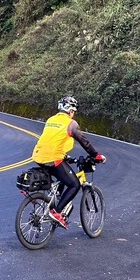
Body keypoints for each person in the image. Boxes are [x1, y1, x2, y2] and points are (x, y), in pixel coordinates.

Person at [31, 95, 106, 229]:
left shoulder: (51, 120)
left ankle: (55, 200)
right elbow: (84, 141)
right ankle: (57, 212)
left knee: (61, 178)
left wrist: (66, 156)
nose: (74, 114)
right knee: (74, 184)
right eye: (74, 111)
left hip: (38, 156)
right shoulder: (70, 124)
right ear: (70, 110)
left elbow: (53, 140)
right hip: (53, 158)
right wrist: (96, 155)